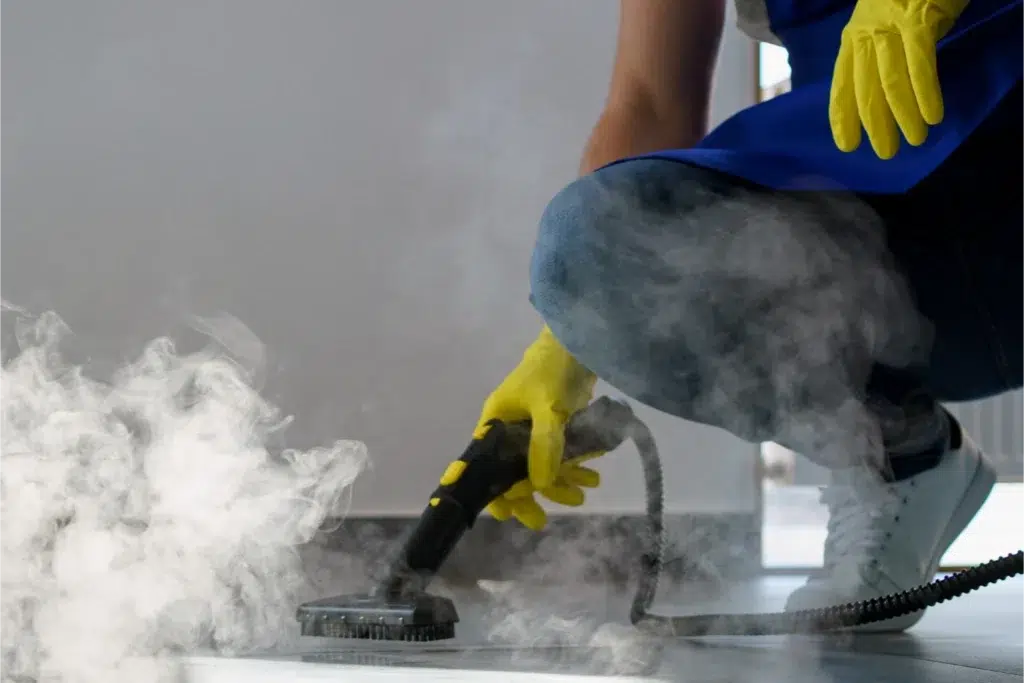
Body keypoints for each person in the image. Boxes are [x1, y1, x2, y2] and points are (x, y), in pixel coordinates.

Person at [448, 0, 1024, 632]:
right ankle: (897, 457)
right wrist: (568, 340)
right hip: (872, 225)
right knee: (587, 243)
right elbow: (650, 102)